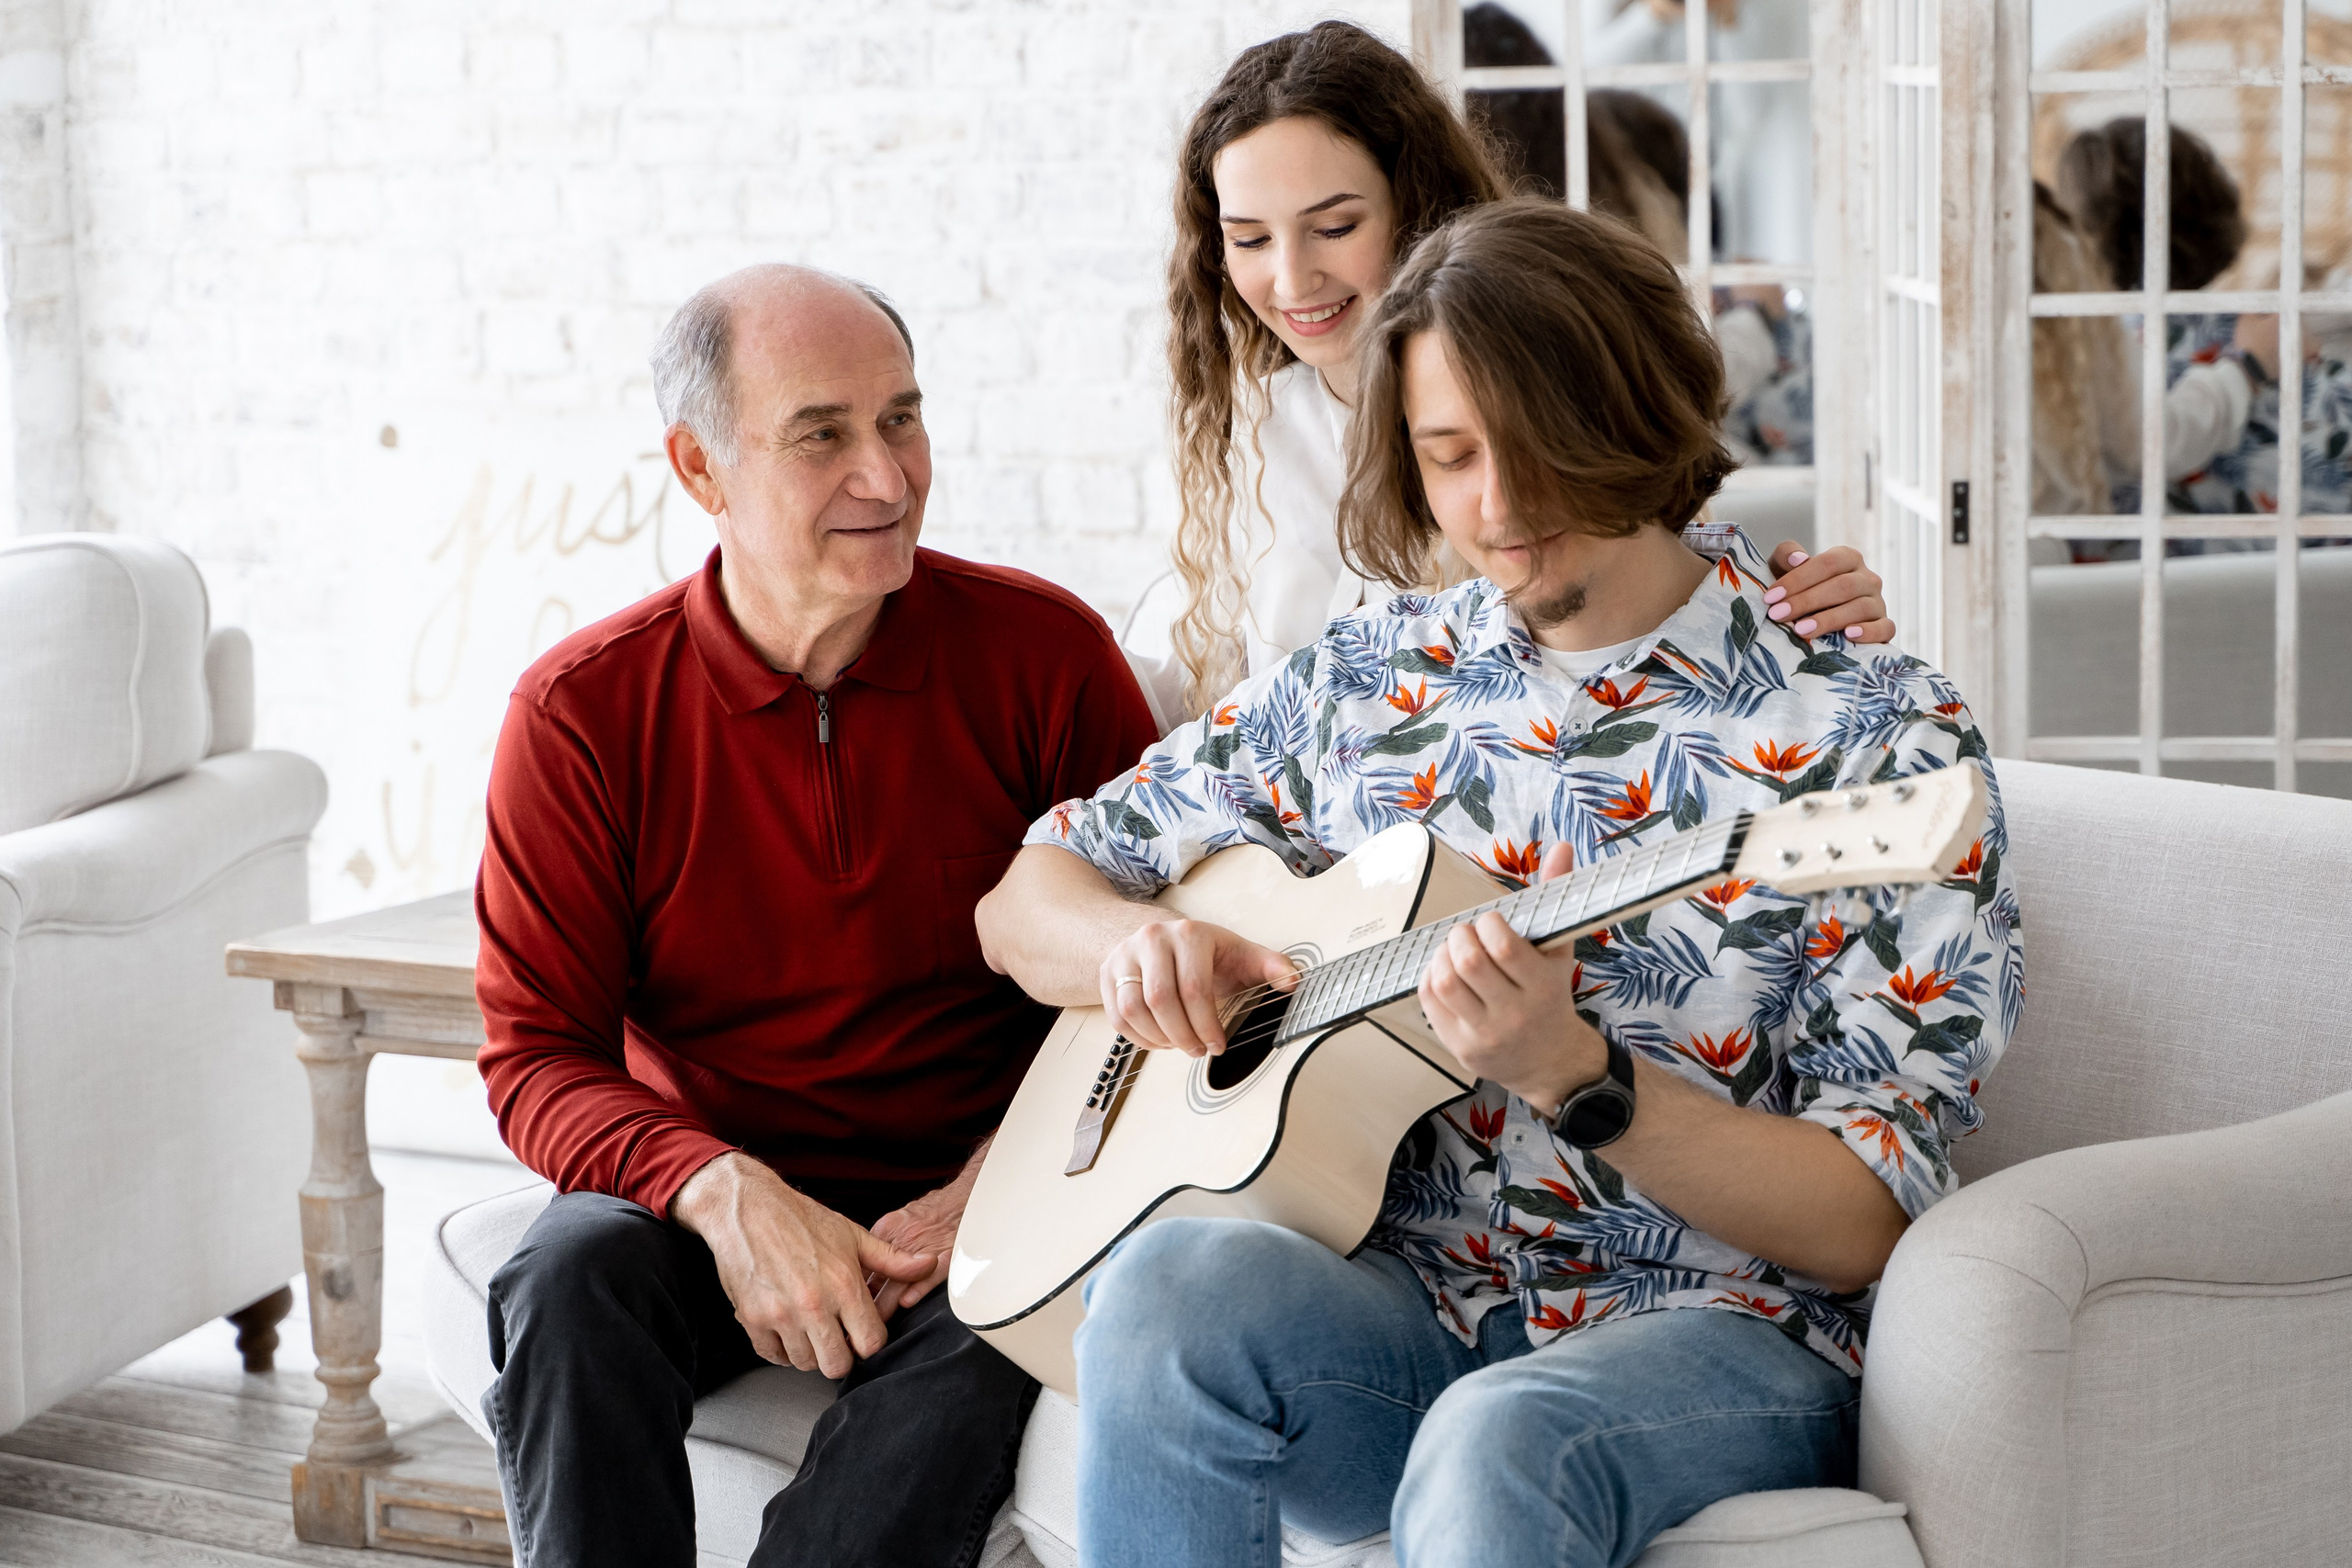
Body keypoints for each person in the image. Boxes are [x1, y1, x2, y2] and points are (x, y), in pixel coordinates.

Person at [978, 199, 2021, 1568]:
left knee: (1500, 1436)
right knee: (1170, 1287)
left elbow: (1862, 1216)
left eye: (1537, 450)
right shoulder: (1366, 678)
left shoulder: (1871, 735)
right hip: (1406, 1312)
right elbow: (1026, 894)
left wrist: (1584, 1076)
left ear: (1641, 412)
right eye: (1449, 456)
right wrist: (1134, 950)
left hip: (1718, 1336)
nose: (1499, 509)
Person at [470, 265, 1160, 1568]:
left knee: (1005, 1313)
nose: (889, 476)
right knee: (566, 1272)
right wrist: (721, 1191)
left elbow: (1152, 987)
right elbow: (533, 1056)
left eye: (902, 417)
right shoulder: (580, 715)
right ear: (700, 468)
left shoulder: (1047, 659)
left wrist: (993, 1184)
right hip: (714, 1196)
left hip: (981, 1197)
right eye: (822, 434)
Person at [1131, 19, 1894, 730]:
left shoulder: (1552, 402)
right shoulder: (1249, 436)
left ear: (1416, 206)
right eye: (1250, 239)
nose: (1293, 281)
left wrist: (1797, 598)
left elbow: (1663, 588)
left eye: (1335, 228)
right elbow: (1187, 686)